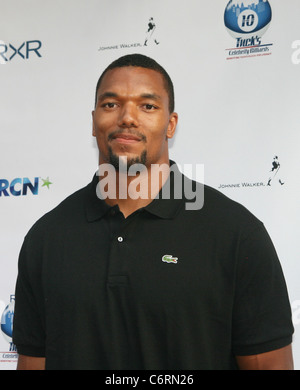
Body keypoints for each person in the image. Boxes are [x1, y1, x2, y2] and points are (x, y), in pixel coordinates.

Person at [13, 54, 294, 370]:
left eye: (147, 106)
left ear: (170, 124)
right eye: (111, 105)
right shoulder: (47, 237)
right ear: (93, 122)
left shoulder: (236, 234)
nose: (127, 118)